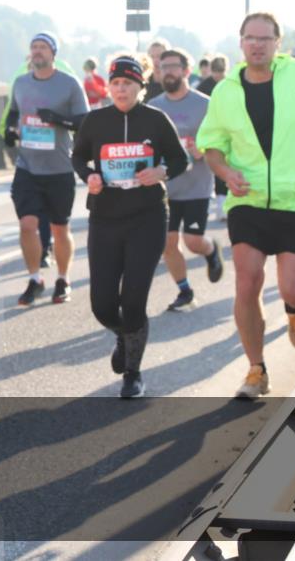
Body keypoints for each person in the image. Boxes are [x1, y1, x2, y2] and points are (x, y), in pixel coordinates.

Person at [196, 12, 295, 400]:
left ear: (277, 43)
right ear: (240, 42)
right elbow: (211, 146)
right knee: (246, 281)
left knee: (292, 289)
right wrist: (226, 171)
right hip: (247, 199)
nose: (257, 45)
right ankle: (256, 371)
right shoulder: (226, 90)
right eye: (250, 38)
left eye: (265, 39)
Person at [72, 55, 188, 398]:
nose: (122, 90)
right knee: (102, 305)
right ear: (109, 87)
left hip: (147, 217)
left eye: (129, 84)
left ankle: (133, 374)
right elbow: (78, 156)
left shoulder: (155, 119)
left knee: (134, 300)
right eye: (117, 84)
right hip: (105, 218)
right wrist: (88, 175)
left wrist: (161, 172)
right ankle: (124, 335)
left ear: (141, 86)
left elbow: (180, 158)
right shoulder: (95, 121)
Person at [4, 33, 89, 305]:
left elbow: (84, 121)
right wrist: (9, 130)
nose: (37, 51)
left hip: (59, 168)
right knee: (27, 224)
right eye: (34, 47)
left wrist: (58, 120)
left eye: (42, 47)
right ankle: (34, 279)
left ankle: (63, 279)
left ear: (53, 54)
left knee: (59, 228)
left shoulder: (69, 84)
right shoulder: (20, 83)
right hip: (27, 166)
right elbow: (15, 112)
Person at [147, 49, 223, 311]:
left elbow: (219, 138)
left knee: (192, 241)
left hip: (197, 186)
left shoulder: (204, 104)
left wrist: (203, 148)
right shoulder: (154, 107)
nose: (167, 71)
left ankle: (211, 250)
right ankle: (185, 290)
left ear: (185, 71)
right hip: (167, 187)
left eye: (173, 66)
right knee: (167, 243)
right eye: (163, 66)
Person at [196, 54, 229, 219]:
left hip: (229, 131)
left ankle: (225, 205)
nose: (218, 76)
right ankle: (219, 206)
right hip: (212, 131)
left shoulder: (231, 84)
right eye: (215, 72)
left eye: (221, 72)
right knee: (215, 166)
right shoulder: (204, 86)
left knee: (229, 165)